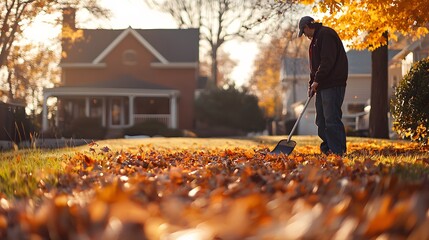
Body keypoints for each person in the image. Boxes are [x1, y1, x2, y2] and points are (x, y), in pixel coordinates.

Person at [298, 16, 348, 156]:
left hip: (333, 83)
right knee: (321, 121)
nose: (305, 35)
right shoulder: (314, 42)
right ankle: (327, 149)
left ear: (309, 26)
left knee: (331, 119)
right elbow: (315, 68)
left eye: (304, 31)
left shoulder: (326, 34)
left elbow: (327, 61)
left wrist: (317, 80)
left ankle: (338, 152)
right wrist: (311, 84)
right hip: (322, 86)